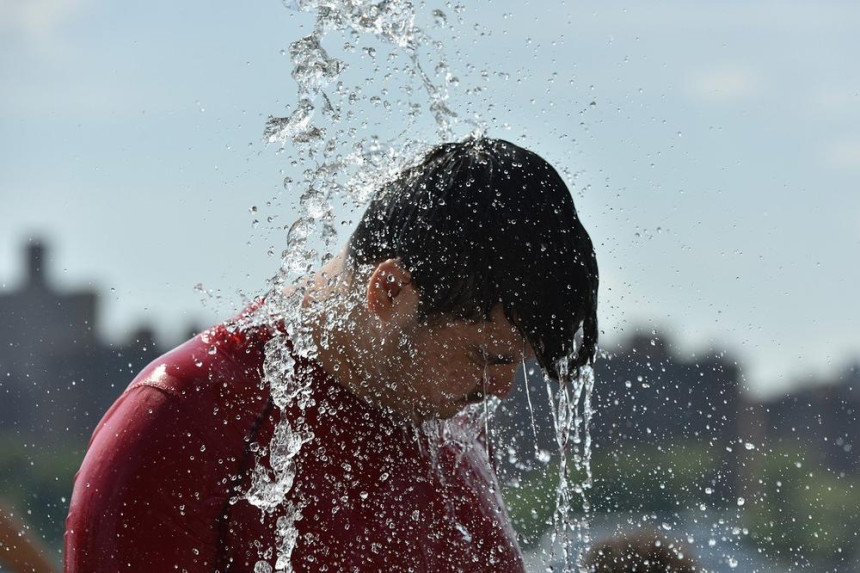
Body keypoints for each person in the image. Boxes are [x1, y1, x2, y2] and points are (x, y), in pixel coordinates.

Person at [64, 137, 598, 571]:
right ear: (389, 292)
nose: (501, 389)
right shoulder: (182, 423)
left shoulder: (444, 418)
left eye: (516, 364)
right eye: (488, 357)